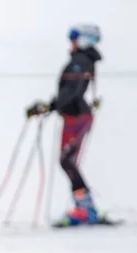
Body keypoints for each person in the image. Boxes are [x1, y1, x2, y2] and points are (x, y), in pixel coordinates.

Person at [26, 24, 103, 227]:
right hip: (75, 115)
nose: (72, 42)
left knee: (67, 160)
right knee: (67, 161)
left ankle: (85, 209)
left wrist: (51, 107)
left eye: (75, 38)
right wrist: (50, 106)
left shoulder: (81, 61)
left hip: (76, 116)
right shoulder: (82, 60)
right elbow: (68, 93)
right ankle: (85, 208)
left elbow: (72, 92)